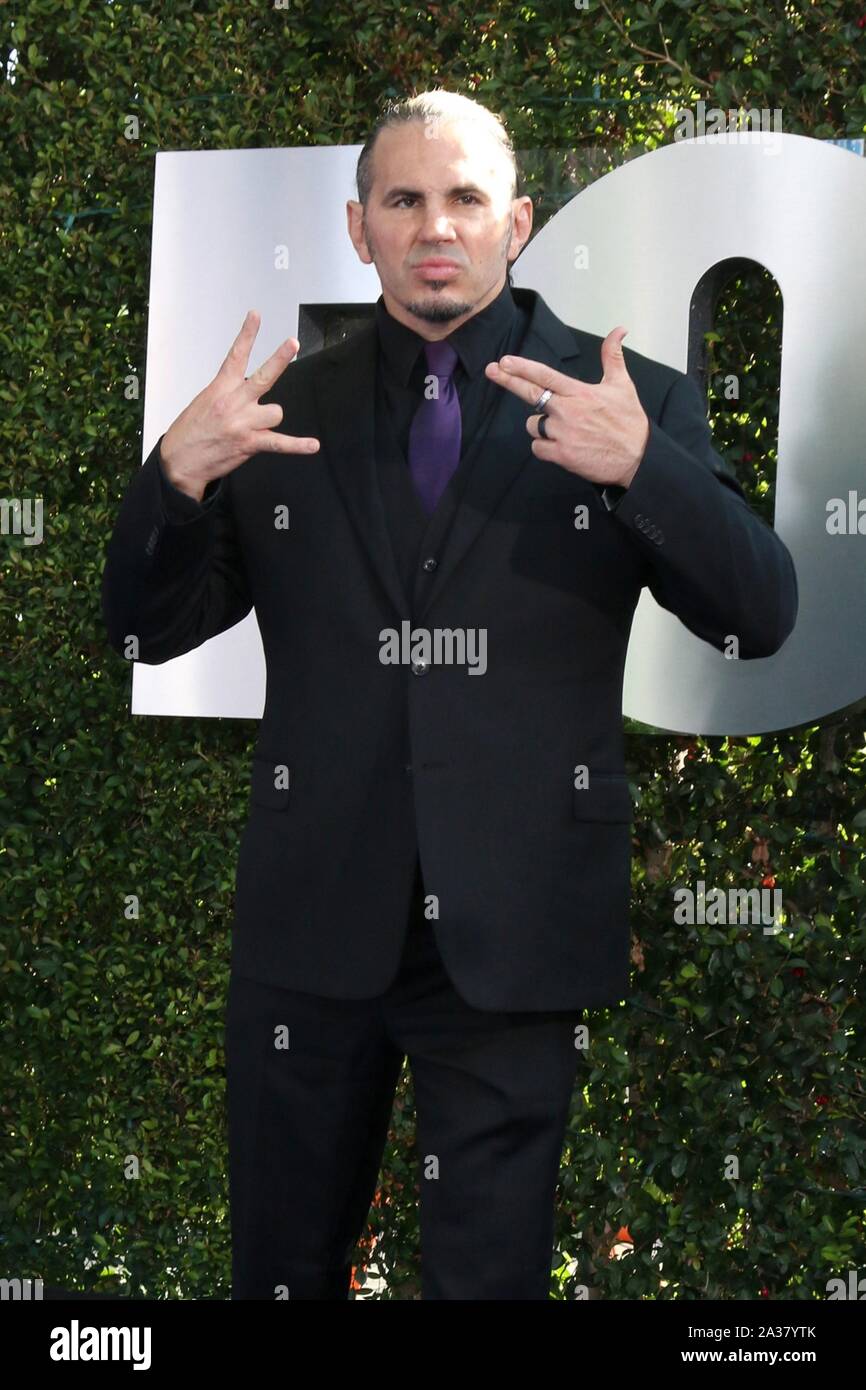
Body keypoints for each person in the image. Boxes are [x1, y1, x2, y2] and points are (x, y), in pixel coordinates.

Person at [101, 89, 798, 1300]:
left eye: (465, 198)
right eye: (404, 199)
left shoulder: (626, 400)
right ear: (358, 225)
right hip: (310, 925)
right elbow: (143, 628)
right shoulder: (278, 413)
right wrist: (172, 478)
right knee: (279, 1265)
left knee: (486, 1281)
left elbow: (759, 613)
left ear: (515, 221)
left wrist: (642, 470)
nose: (436, 226)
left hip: (516, 930)